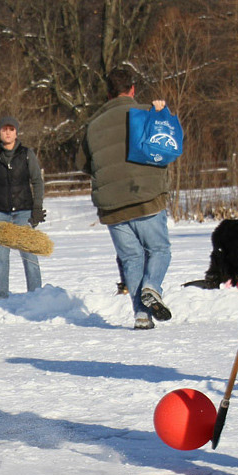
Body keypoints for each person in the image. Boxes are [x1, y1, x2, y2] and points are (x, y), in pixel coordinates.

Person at [78, 68, 174, 330]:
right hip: (146, 195)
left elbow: (82, 163)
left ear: (108, 94)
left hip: (112, 205)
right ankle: (152, 287)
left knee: (132, 259)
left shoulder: (93, 125)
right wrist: (161, 113)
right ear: (132, 89)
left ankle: (141, 316)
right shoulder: (146, 113)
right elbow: (170, 145)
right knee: (159, 250)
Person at [0, 115, 44, 296]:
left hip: (24, 211)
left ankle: (36, 294)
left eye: (11, 129)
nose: (7, 133)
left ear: (16, 132)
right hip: (0, 212)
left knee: (29, 254)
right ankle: (2, 295)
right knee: (0, 255)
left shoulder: (27, 154)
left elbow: (37, 182)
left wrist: (37, 208)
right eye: (4, 130)